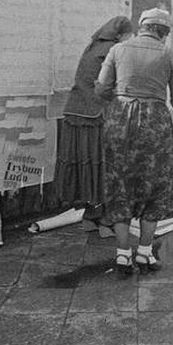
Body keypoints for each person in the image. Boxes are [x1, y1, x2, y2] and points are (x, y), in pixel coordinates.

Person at [95, 8, 173, 273]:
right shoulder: (169, 55)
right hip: (154, 123)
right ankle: (145, 253)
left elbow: (101, 88)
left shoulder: (117, 50)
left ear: (141, 27)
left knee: (119, 184)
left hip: (119, 120)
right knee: (156, 184)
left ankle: (123, 254)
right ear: (164, 32)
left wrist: (119, 98)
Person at [54, 16, 133, 220]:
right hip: (94, 114)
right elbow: (113, 84)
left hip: (75, 111)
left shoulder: (93, 47)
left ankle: (91, 214)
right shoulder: (113, 49)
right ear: (120, 35)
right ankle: (102, 216)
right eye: (129, 35)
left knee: (85, 165)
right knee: (101, 164)